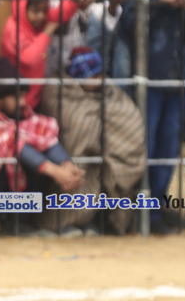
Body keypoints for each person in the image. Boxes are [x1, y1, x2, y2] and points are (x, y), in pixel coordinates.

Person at [119, 0, 185, 233]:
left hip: (178, 78)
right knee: (146, 145)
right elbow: (129, 24)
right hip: (150, 78)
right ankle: (137, 212)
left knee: (169, 146)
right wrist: (158, 1)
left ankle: (155, 211)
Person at [38, 47, 147, 236]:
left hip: (103, 157)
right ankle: (64, 222)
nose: (100, 79)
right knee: (77, 166)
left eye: (100, 74)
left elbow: (128, 117)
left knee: (100, 170)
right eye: (93, 76)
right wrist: (93, 132)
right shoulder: (58, 91)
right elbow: (73, 124)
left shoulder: (109, 91)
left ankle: (93, 219)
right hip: (69, 156)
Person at [0, 57, 84, 204]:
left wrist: (66, 165)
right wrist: (55, 172)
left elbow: (44, 135)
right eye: (16, 97)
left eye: (23, 96)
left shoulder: (22, 112)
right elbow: (14, 141)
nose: (22, 102)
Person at [1, 0, 74, 109]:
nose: (41, 16)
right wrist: (46, 34)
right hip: (18, 99)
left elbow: (58, 14)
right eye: (35, 11)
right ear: (21, 8)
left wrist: (75, 2)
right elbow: (29, 58)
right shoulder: (13, 29)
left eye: (44, 11)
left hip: (34, 94)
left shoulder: (33, 23)